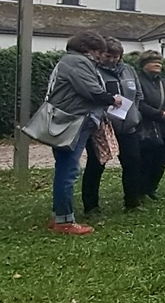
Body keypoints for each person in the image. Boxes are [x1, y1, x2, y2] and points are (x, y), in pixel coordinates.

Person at [45, 31, 118, 234]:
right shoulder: (77, 62)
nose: (99, 57)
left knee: (64, 168)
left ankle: (58, 215)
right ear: (88, 48)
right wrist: (113, 99)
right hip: (73, 121)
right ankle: (64, 221)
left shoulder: (67, 61)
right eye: (98, 52)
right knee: (68, 170)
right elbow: (92, 91)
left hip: (64, 120)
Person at [81, 37, 143, 215]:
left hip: (128, 126)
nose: (112, 60)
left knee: (132, 162)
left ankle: (132, 202)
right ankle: (91, 206)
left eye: (116, 56)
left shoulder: (128, 70)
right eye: (108, 56)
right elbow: (91, 96)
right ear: (100, 54)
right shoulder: (93, 71)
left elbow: (138, 94)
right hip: (102, 127)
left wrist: (135, 113)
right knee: (96, 164)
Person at [135, 50, 165, 200]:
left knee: (162, 160)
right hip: (148, 127)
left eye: (159, 62)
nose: (157, 64)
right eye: (153, 62)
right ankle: (141, 191)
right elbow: (139, 103)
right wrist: (159, 114)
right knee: (146, 160)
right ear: (144, 64)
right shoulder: (139, 82)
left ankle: (151, 188)